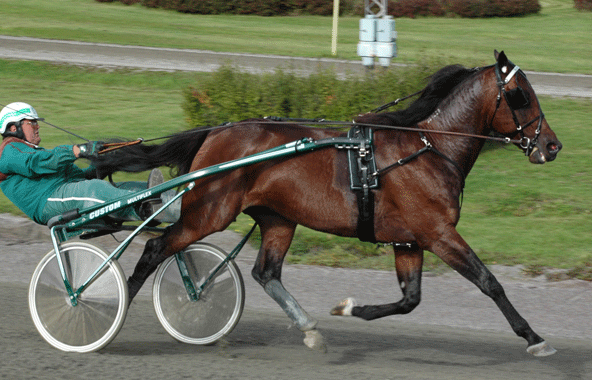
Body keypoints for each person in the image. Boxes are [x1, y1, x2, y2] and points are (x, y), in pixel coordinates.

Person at [0, 102, 178, 225]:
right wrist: (78, 150)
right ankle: (145, 208)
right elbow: (35, 163)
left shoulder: (28, 150)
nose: (37, 127)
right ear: (13, 128)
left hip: (66, 190)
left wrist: (106, 163)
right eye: (32, 123)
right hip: (47, 201)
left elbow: (78, 177)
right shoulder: (9, 151)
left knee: (131, 188)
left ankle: (177, 204)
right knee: (93, 190)